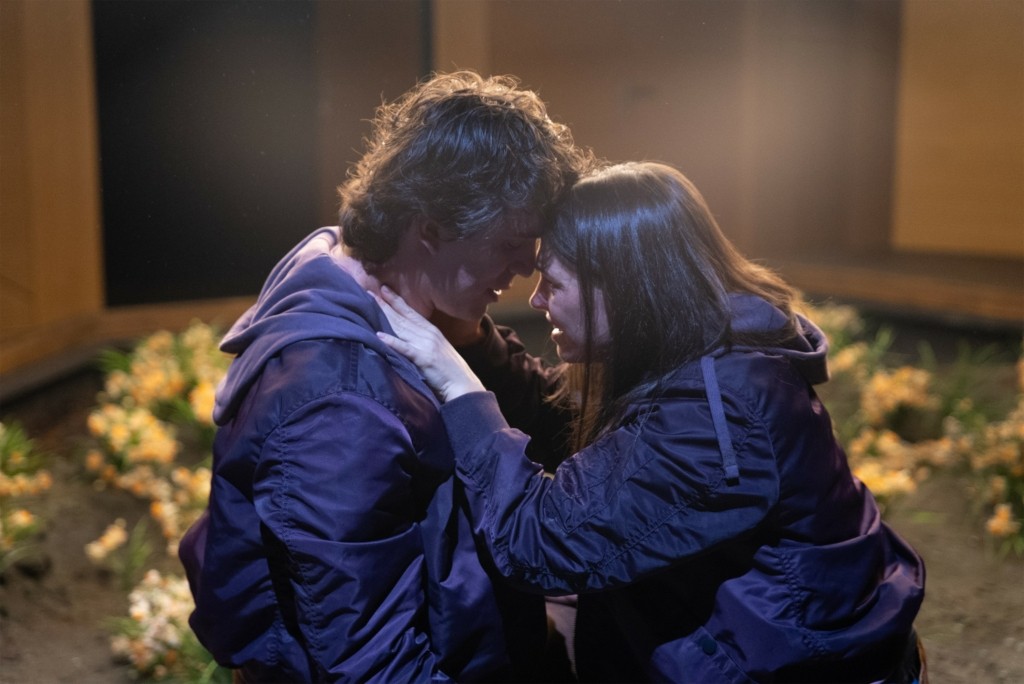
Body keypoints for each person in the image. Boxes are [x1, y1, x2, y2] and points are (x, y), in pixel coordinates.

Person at [377, 161, 928, 683]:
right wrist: (474, 341)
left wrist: (460, 390)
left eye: (553, 282)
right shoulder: (698, 350)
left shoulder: (720, 411)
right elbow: (565, 419)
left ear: (624, 285)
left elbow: (541, 543)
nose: (537, 299)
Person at [178, 71, 589, 682]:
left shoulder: (402, 303)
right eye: (511, 242)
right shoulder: (338, 394)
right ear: (430, 229)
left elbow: (546, 422)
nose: (528, 267)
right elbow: (370, 657)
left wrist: (471, 345)